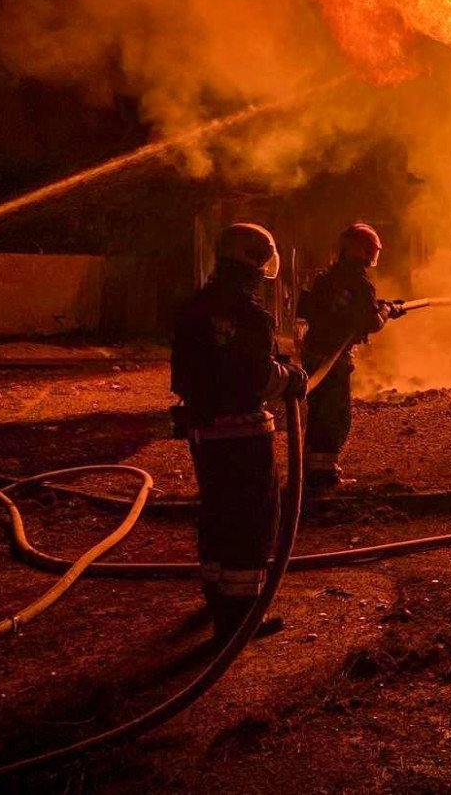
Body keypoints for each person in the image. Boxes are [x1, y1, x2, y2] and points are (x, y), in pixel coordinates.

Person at [171, 223, 307, 642]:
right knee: (251, 523)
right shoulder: (249, 316)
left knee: (217, 515)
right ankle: (241, 620)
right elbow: (260, 379)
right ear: (254, 263)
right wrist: (293, 379)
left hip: (204, 433)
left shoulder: (196, 306)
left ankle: (218, 600)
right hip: (244, 437)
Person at [297, 222, 405, 491]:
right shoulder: (359, 282)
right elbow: (370, 323)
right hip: (333, 358)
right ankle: (323, 478)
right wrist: (387, 312)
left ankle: (311, 474)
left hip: (314, 353)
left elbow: (327, 312)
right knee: (335, 417)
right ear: (365, 251)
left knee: (318, 413)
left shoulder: (324, 278)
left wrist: (383, 307)